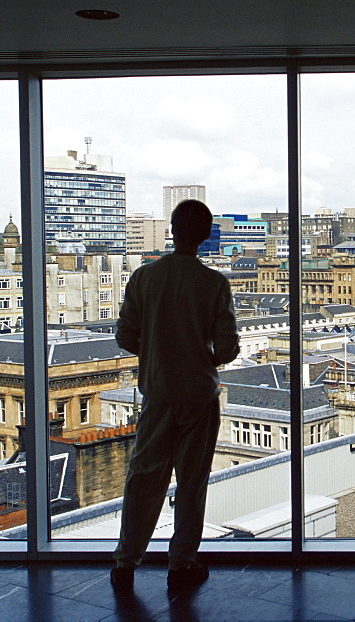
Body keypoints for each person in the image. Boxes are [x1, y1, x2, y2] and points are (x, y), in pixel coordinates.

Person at [110, 199, 239, 595]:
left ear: (171, 229)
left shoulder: (144, 278)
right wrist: (201, 356)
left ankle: (125, 561)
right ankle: (181, 561)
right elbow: (229, 348)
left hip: (158, 392)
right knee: (191, 482)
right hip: (198, 395)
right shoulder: (213, 283)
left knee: (144, 478)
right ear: (205, 234)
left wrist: (157, 350)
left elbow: (124, 336)